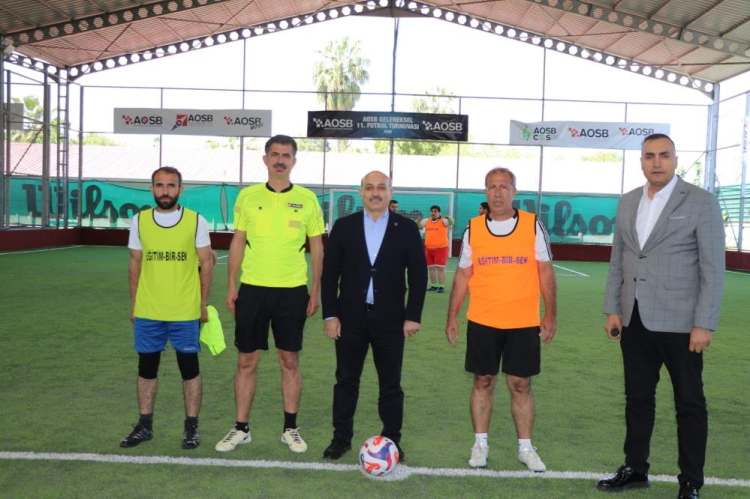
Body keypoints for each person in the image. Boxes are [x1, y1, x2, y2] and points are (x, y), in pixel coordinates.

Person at [598, 134, 725, 499]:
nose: (657, 162)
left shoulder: (701, 201)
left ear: (675, 159)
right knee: (637, 399)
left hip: (683, 324)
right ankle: (635, 469)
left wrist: (704, 323)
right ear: (641, 161)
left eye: (664, 155)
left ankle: (691, 482)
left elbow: (712, 268)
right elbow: (619, 260)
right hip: (634, 319)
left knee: (689, 403)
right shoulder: (628, 201)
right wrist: (613, 308)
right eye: (649, 156)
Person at [215, 135, 324, 454]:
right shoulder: (248, 197)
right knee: (246, 360)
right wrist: (232, 284)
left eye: (286, 155)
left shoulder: (308, 199)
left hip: (292, 290)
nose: (280, 160)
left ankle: (290, 429)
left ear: (294, 161)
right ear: (265, 159)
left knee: (289, 359)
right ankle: (241, 429)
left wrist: (315, 289)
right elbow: (238, 241)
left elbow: (317, 247)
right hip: (253, 289)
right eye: (274, 154)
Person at [445, 167, 556, 472]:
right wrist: (452, 315)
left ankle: (526, 448)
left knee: (521, 384)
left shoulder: (533, 225)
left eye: (504, 187)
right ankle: (480, 444)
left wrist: (550, 314)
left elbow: (545, 271)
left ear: (514, 192)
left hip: (523, 321)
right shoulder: (473, 228)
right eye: (492, 187)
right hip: (483, 320)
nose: (498, 193)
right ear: (485, 192)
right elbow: (463, 274)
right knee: (483, 381)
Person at [320, 171, 427, 461]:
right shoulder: (344, 226)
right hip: (349, 319)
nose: (375, 193)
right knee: (346, 381)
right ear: (361, 192)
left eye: (381, 187)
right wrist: (330, 315)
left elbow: (419, 275)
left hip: (391, 320)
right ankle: (341, 438)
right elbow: (329, 275)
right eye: (369, 187)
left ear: (391, 192)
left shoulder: (407, 228)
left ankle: (392, 439)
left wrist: (413, 315)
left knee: (390, 384)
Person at [121, 166, 214, 450]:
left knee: (189, 369)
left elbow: (207, 263)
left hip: (184, 311)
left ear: (180, 190)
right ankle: (144, 426)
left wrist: (202, 303)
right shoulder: (139, 221)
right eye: (160, 185)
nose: (165, 191)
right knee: (146, 368)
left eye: (171, 186)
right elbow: (135, 263)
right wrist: (135, 303)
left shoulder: (196, 221)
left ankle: (191, 427)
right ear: (152, 189)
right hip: (149, 310)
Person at [416, 205, 454, 293]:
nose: (433, 213)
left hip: (441, 249)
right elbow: (419, 226)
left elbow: (451, 222)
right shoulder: (426, 221)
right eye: (432, 211)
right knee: (431, 268)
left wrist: (449, 218)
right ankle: (434, 285)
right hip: (429, 249)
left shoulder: (444, 221)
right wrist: (417, 222)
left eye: (435, 211)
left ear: (439, 212)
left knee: (440, 268)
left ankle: (441, 287)